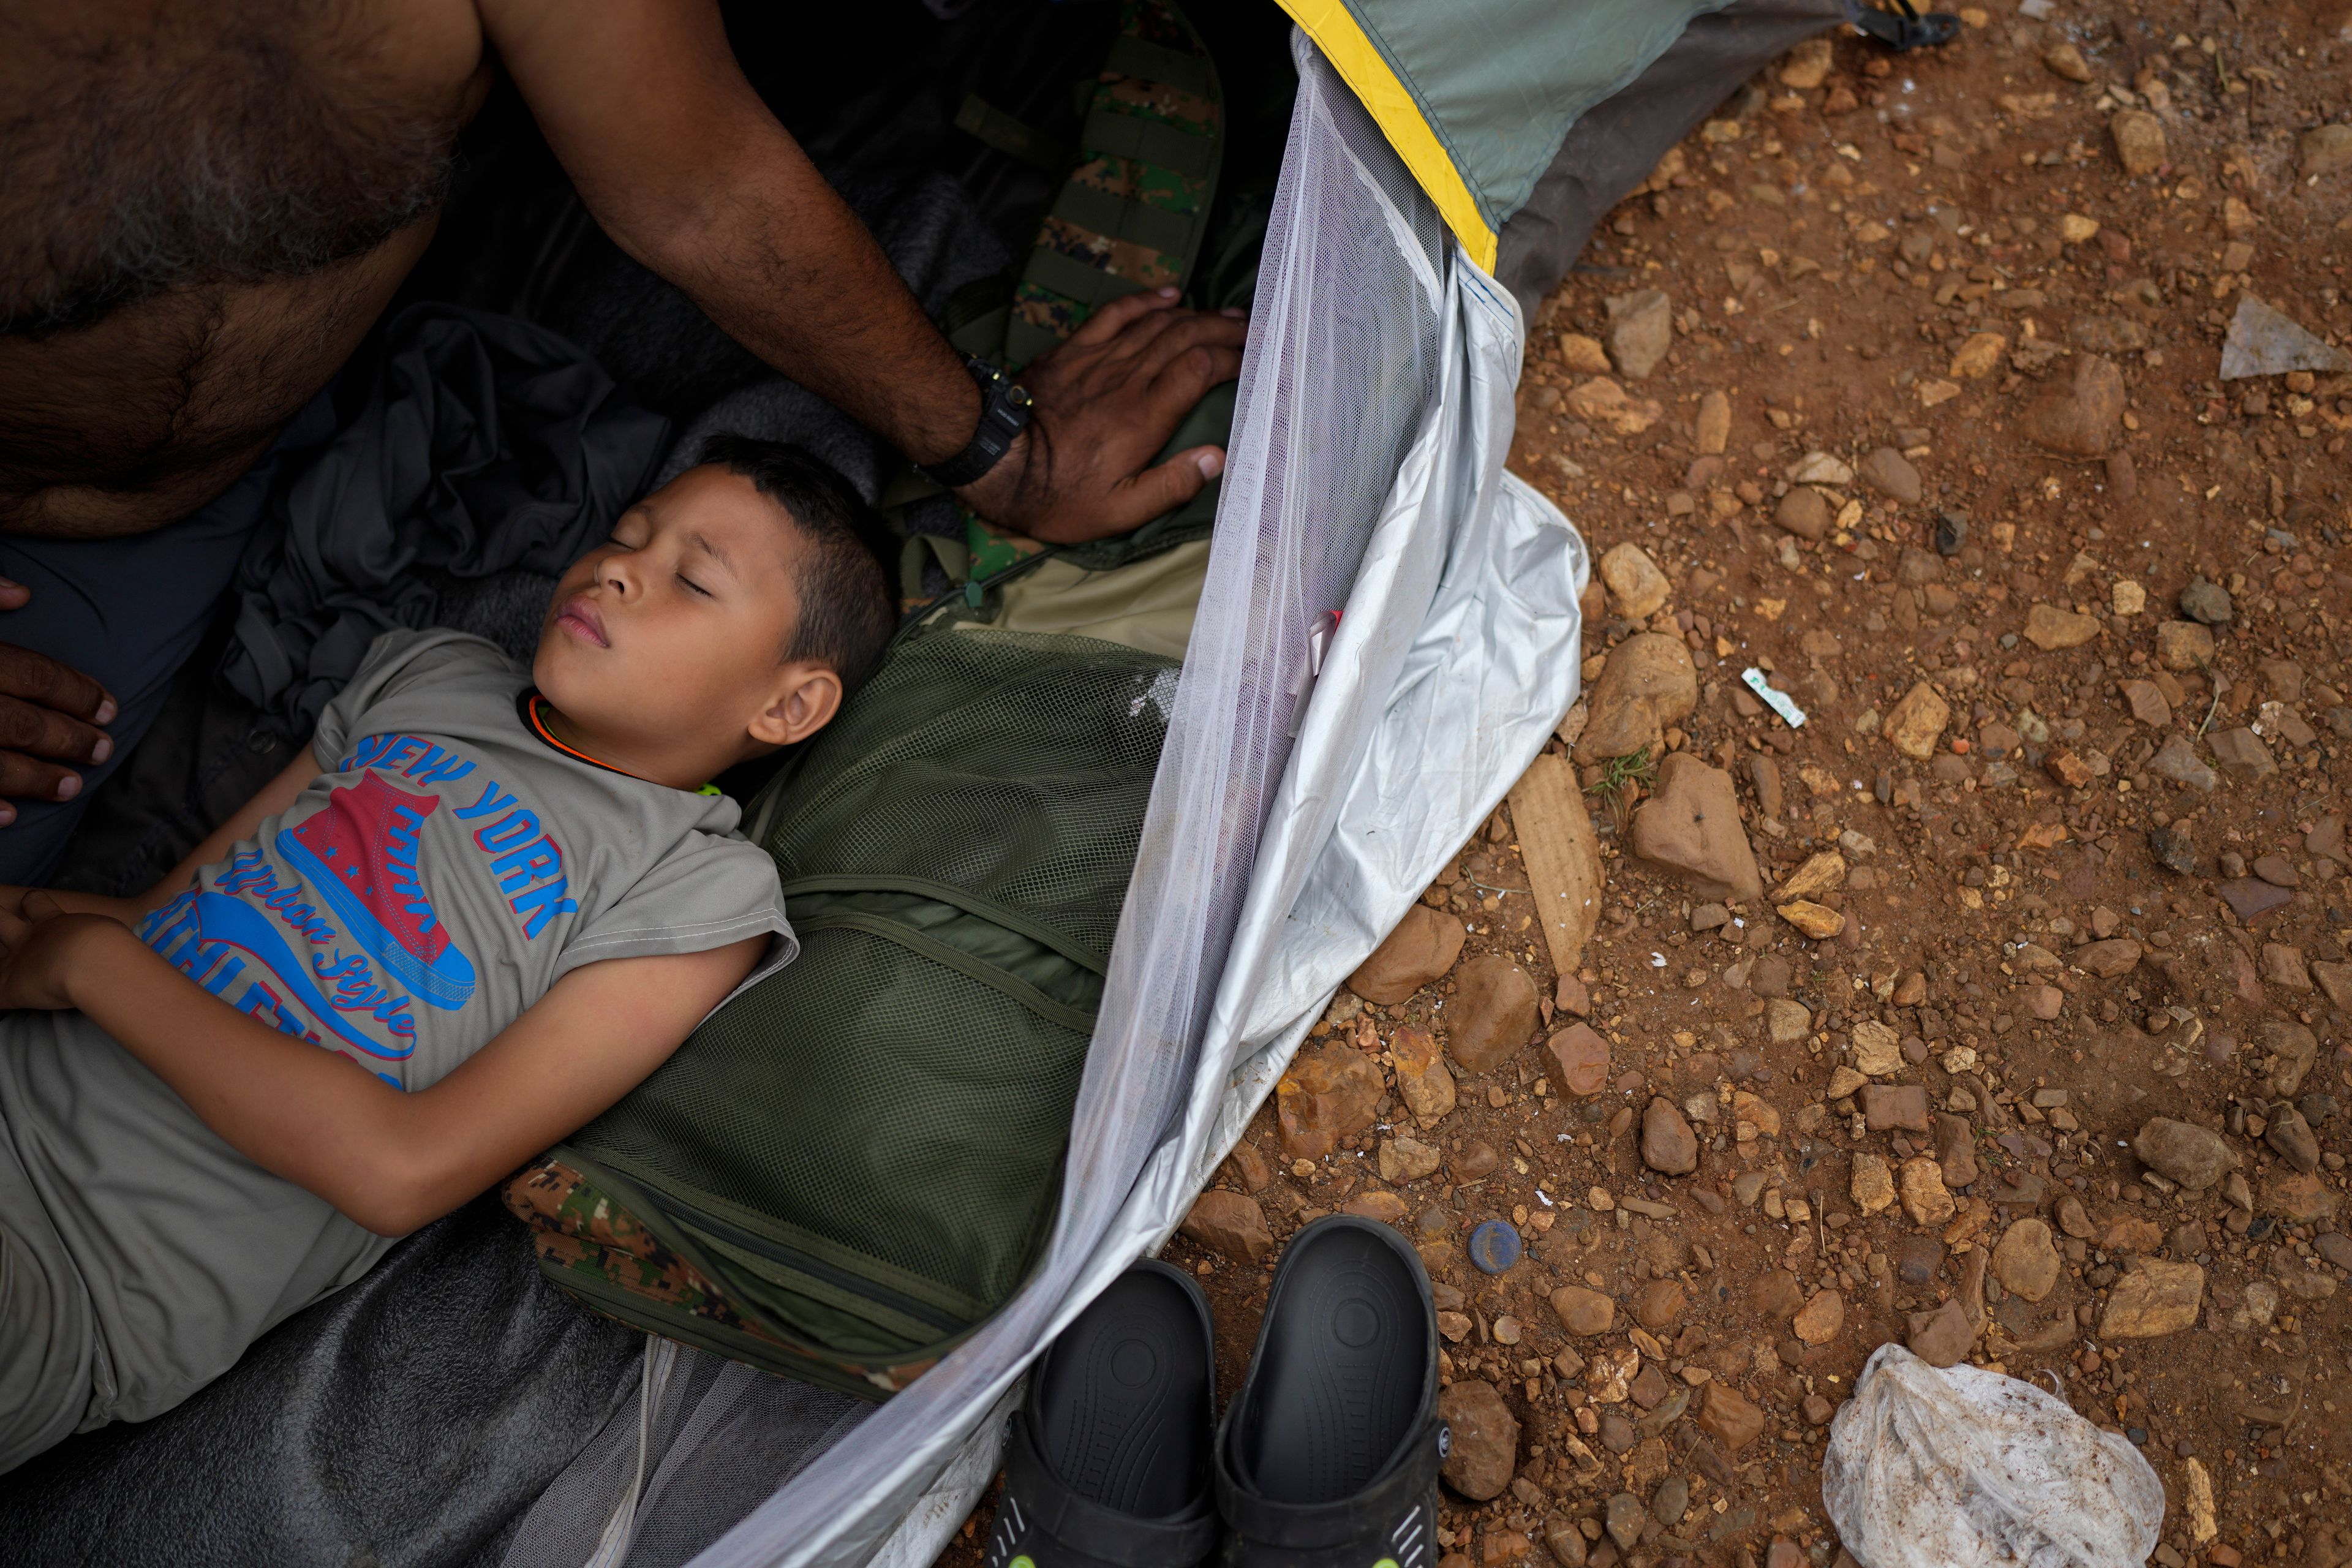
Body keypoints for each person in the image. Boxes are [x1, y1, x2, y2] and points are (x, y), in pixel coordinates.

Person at [0, 0, 1249, 877]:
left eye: (670, 560)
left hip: (273, 436)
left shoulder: (660, 869)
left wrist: (1004, 452)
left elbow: (699, 187)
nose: (607, 566)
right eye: (642, 545)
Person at [0, 436, 889, 1472]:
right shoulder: (434, 673)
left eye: (690, 580)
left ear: (786, 704)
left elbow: (401, 1167)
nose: (616, 568)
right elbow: (164, 916)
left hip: (76, 1274)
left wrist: (88, 969)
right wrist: (63, 942)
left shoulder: (696, 891)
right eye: (624, 535)